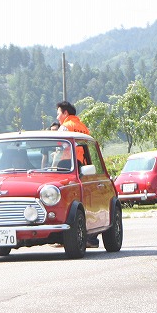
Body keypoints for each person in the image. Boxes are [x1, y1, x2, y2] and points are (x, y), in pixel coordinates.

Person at [55, 100, 98, 248]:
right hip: (84, 168)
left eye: (58, 113)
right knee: (86, 203)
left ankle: (70, 236)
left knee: (69, 203)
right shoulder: (83, 127)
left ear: (65, 113)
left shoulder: (65, 127)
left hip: (68, 167)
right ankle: (90, 237)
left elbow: (57, 146)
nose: (57, 117)